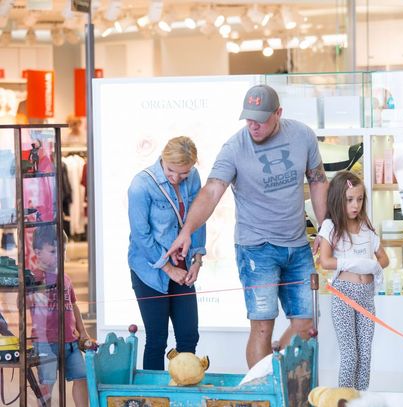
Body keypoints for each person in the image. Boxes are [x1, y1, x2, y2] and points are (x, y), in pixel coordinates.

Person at [165, 84, 328, 368]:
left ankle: (275, 372)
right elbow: (211, 191)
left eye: (260, 119)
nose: (253, 125)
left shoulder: (303, 135)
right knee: (262, 327)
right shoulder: (235, 148)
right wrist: (187, 230)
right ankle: (263, 387)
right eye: (248, 118)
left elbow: (317, 181)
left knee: (307, 325)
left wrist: (325, 228)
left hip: (298, 246)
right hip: (256, 249)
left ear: (278, 113)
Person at [128, 136, 206, 370]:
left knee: (189, 336)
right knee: (157, 339)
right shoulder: (141, 185)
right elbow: (141, 236)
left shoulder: (193, 177)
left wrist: (197, 259)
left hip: (182, 267)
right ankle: (154, 392)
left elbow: (197, 219)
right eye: (171, 171)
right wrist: (169, 268)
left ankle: (184, 384)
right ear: (163, 158)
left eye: (183, 173)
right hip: (150, 270)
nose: (176, 178)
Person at [318, 171, 389, 390]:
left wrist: (372, 266)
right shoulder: (331, 226)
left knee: (365, 355)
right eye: (349, 200)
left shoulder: (366, 227)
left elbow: (384, 259)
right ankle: (344, 400)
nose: (355, 205)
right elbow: (325, 261)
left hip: (366, 296)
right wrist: (355, 263)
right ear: (338, 200)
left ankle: (361, 399)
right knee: (350, 355)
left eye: (359, 199)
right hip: (344, 295)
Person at [28, 225, 89, 406]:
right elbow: (21, 303)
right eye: (53, 251)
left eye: (62, 250)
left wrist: (83, 332)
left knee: (82, 377)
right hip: (45, 343)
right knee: (46, 384)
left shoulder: (65, 278)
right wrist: (33, 296)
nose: (60, 255)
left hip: (71, 342)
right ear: (37, 252)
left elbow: (74, 305)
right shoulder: (33, 278)